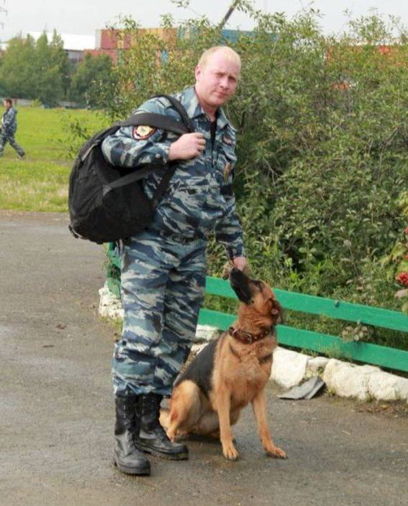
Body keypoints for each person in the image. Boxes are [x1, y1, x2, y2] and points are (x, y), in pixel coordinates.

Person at [101, 46, 249, 476]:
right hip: (150, 243)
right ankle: (125, 436)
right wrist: (168, 151)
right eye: (218, 74)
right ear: (199, 71)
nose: (224, 84)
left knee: (177, 341)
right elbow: (112, 147)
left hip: (192, 251)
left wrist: (235, 247)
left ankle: (151, 426)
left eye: (232, 79)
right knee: (141, 337)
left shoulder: (228, 133)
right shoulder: (163, 112)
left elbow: (223, 195)